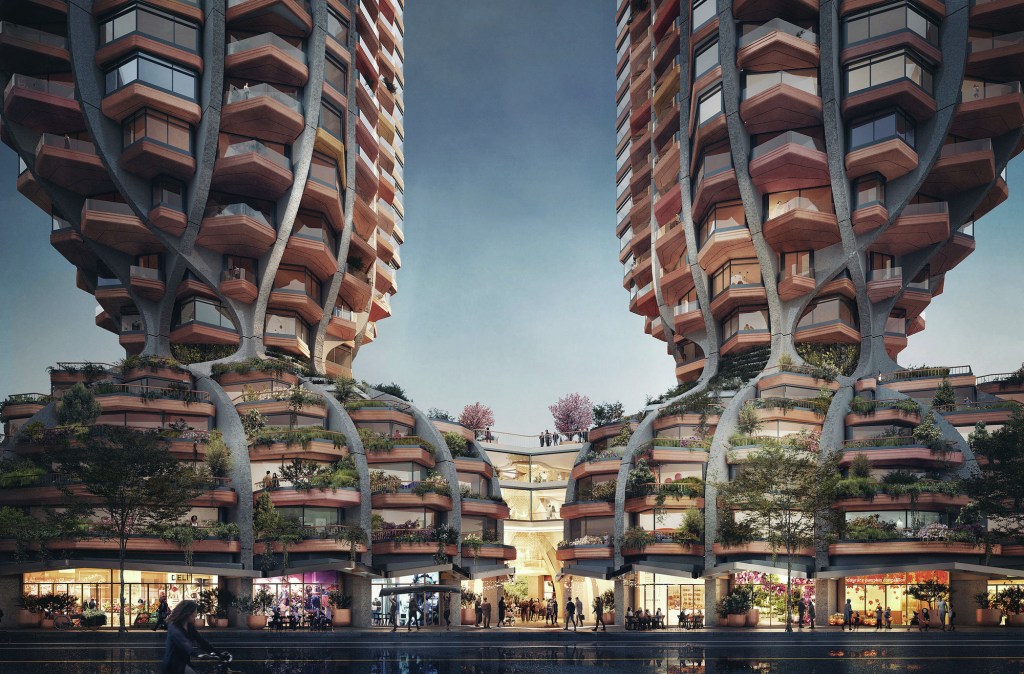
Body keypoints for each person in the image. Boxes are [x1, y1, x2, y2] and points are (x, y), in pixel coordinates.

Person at [161, 599, 215, 674]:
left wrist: (218, 653)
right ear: (187, 613)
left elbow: (201, 641)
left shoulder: (189, 626)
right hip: (173, 664)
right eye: (195, 612)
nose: (196, 615)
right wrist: (198, 654)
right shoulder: (174, 627)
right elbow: (185, 644)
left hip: (184, 662)